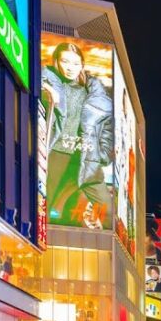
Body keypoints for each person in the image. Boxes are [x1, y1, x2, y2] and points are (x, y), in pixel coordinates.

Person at [42, 41, 114, 229]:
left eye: (75, 63)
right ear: (57, 61)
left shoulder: (94, 91)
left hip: (86, 157)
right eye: (65, 61)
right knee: (47, 204)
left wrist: (103, 154)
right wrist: (48, 91)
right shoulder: (49, 81)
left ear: (82, 65)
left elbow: (106, 126)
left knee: (108, 209)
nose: (70, 68)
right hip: (57, 153)